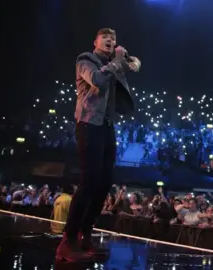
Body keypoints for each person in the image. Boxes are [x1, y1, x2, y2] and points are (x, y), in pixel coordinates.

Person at [56, 28, 140, 262]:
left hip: (107, 125)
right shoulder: (86, 59)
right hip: (88, 123)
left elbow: (133, 66)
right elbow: (98, 80)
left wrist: (127, 62)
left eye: (113, 38)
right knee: (90, 180)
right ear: (95, 42)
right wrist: (118, 62)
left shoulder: (112, 62)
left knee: (104, 182)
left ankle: (86, 235)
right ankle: (68, 241)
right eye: (105, 38)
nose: (110, 41)